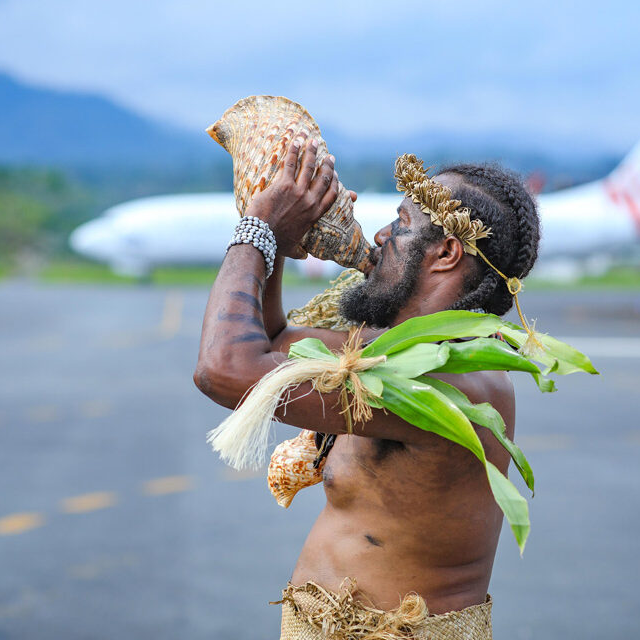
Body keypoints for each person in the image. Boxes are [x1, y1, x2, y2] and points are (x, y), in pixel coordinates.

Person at [194, 135, 541, 639]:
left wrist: (258, 228)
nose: (380, 235)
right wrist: (284, 244)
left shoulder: (448, 381)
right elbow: (270, 341)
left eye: (400, 224)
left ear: (445, 252)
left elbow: (224, 367)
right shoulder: (394, 350)